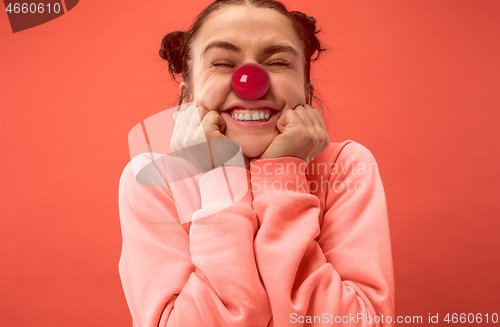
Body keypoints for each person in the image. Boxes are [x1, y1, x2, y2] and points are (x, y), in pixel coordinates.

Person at [118, 0, 395, 326]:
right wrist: (221, 174)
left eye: (277, 62)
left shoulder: (345, 167)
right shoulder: (153, 179)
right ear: (188, 97)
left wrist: (283, 174)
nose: (251, 82)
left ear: (306, 92)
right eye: (222, 63)